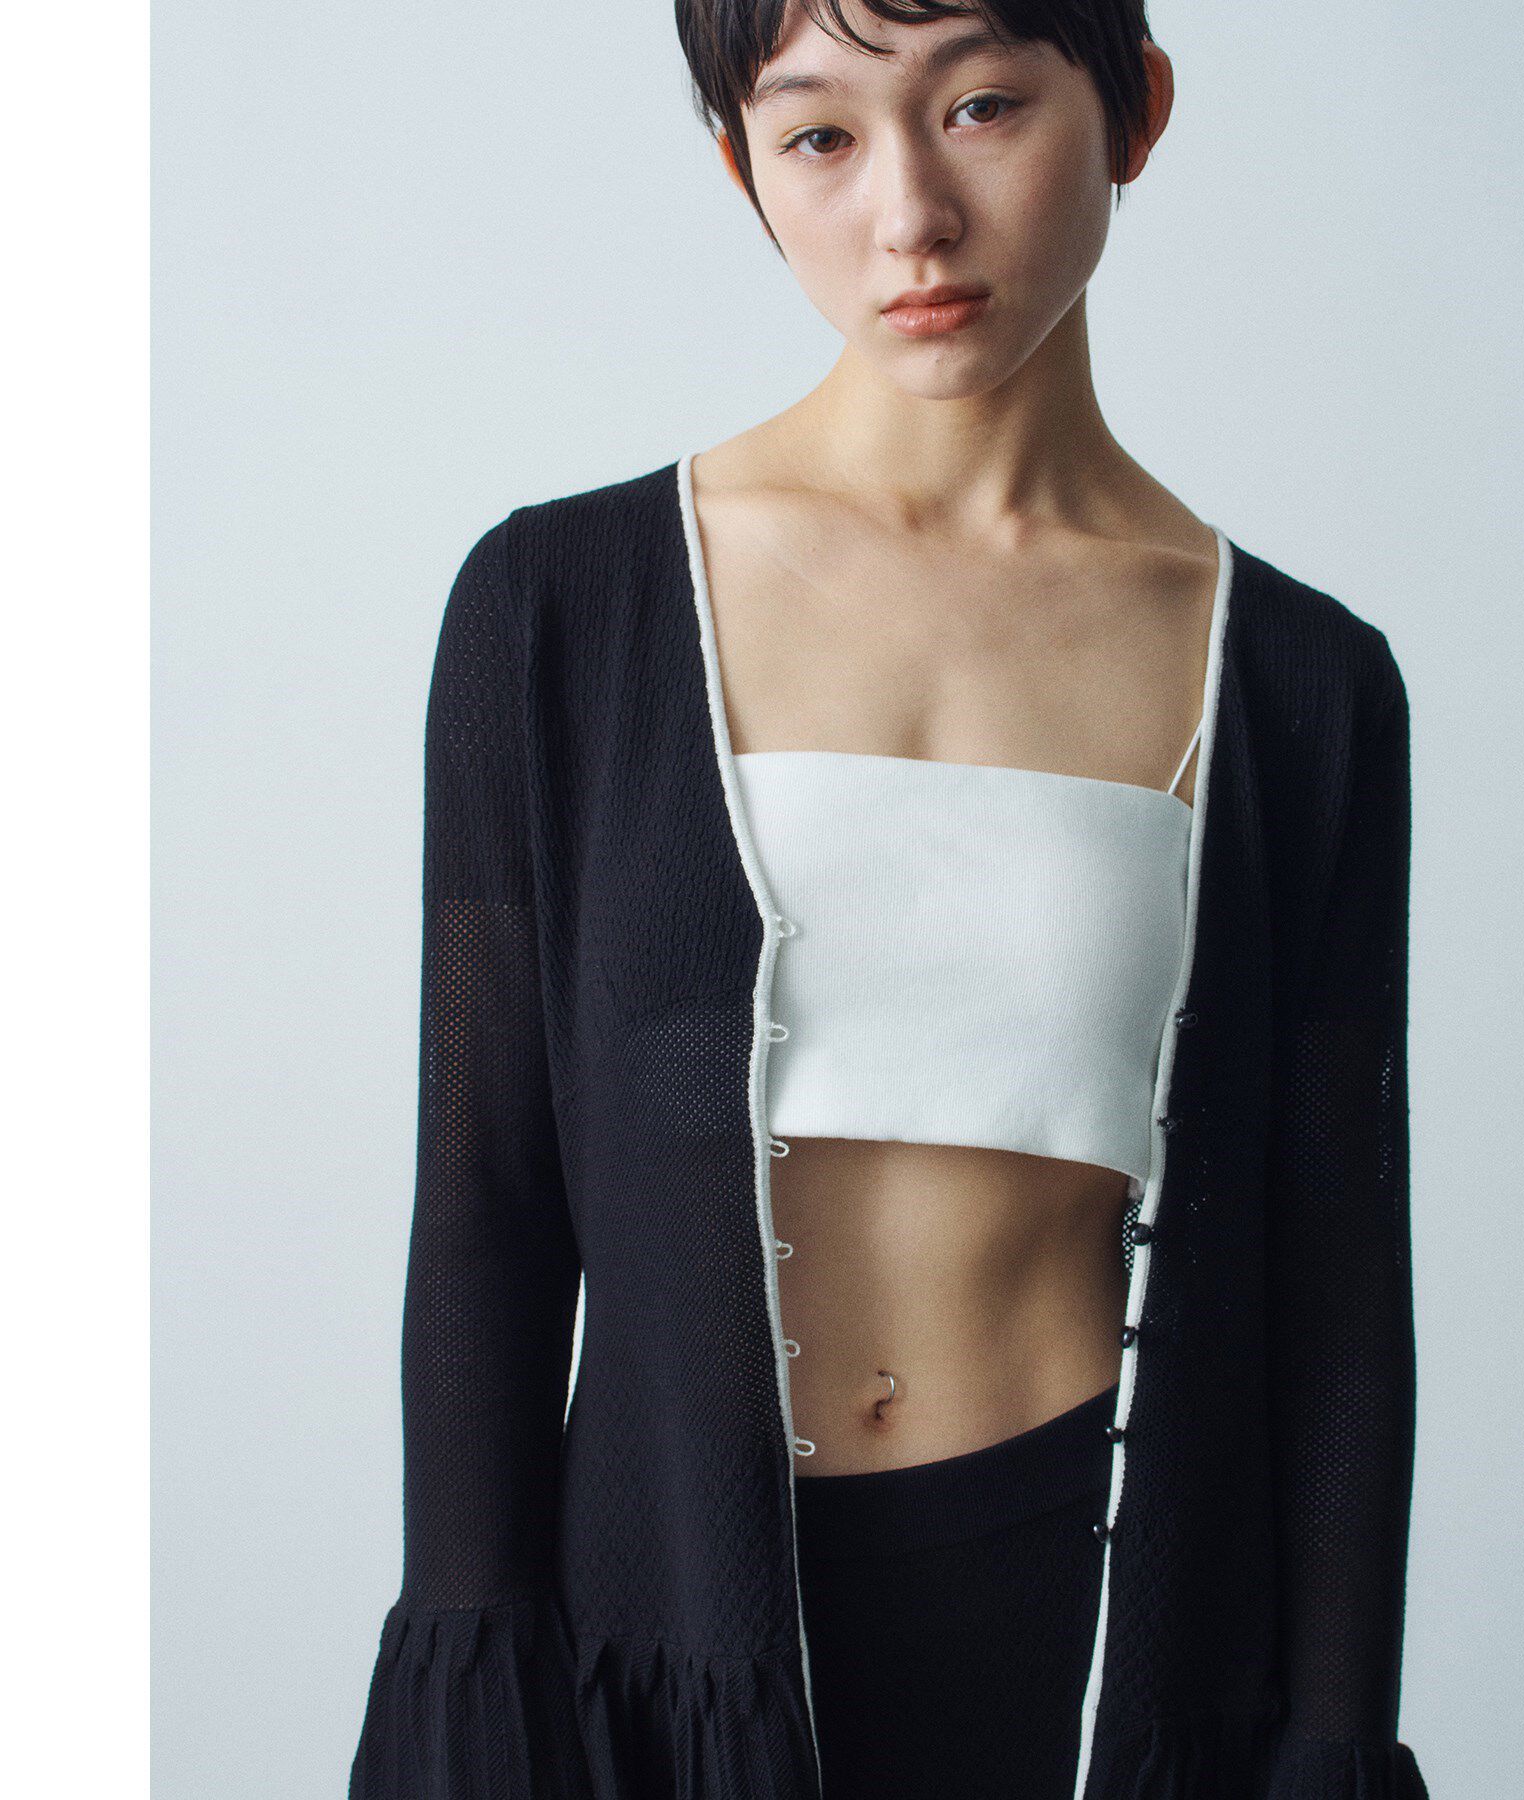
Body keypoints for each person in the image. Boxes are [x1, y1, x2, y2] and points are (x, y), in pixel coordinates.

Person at [347, 4, 1429, 1798]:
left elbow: (1335, 1301)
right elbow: (486, 1210)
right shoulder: (560, 611)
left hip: (1090, 1656)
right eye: (821, 137)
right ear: (741, 170)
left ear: (1137, 111)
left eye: (983, 106)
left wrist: (1330, 1744)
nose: (911, 214)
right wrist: (472, 1708)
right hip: (657, 1670)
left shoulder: (1302, 686)